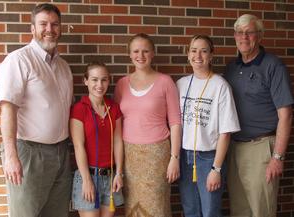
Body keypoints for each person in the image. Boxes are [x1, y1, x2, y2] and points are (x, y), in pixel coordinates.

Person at [0, 3, 73, 217]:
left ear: (61, 28)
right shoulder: (18, 60)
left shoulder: (63, 67)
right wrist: (11, 156)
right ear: (32, 28)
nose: (50, 29)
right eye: (43, 24)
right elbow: (8, 110)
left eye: (55, 24)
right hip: (28, 154)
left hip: (61, 153)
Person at [224, 14, 293, 217]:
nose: (243, 37)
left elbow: (286, 115)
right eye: (239, 32)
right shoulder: (231, 68)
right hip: (234, 149)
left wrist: (277, 157)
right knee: (239, 210)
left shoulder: (273, 66)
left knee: (261, 210)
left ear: (259, 36)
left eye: (249, 32)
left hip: (261, 149)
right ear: (234, 36)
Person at [114, 33, 181, 217]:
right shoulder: (121, 85)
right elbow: (117, 126)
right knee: (133, 207)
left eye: (145, 51)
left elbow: (175, 122)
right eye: (136, 51)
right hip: (130, 156)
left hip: (157, 155)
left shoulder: (165, 82)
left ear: (152, 53)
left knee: (156, 206)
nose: (140, 55)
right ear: (130, 54)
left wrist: (174, 158)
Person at [177, 35, 240, 217]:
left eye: (204, 51)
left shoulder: (220, 86)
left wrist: (216, 168)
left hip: (209, 159)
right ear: (188, 54)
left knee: (210, 211)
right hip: (185, 157)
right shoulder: (180, 84)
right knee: (190, 210)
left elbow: (225, 132)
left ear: (211, 55)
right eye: (194, 50)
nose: (198, 55)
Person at [70, 62, 124, 217]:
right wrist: (87, 180)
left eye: (104, 80)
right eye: (94, 80)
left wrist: (119, 173)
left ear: (108, 81)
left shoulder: (114, 108)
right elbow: (78, 146)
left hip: (111, 176)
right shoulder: (80, 109)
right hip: (88, 175)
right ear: (85, 81)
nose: (99, 85)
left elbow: (118, 142)